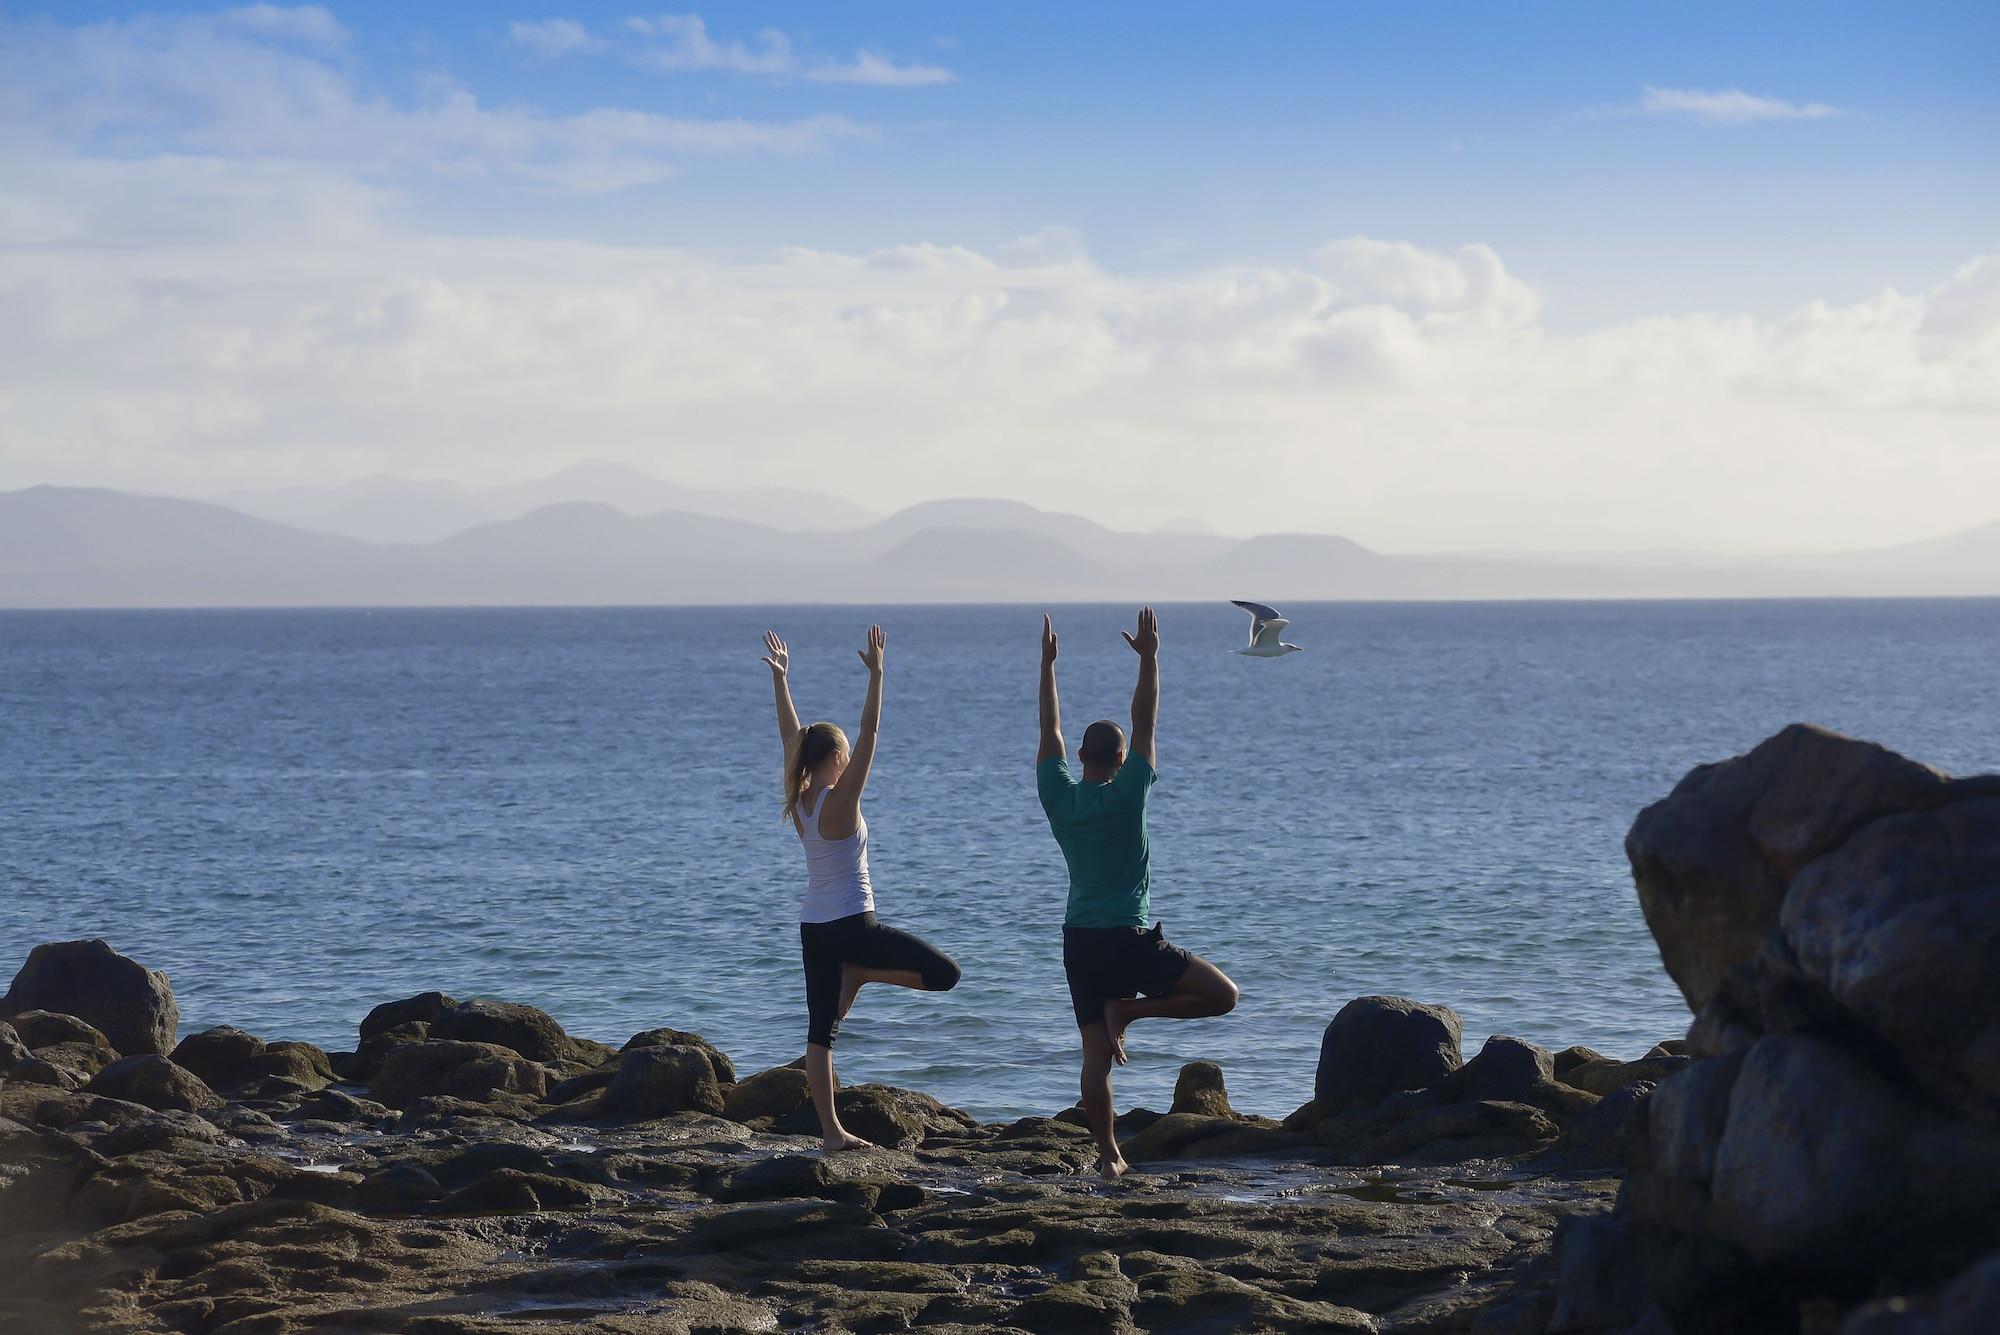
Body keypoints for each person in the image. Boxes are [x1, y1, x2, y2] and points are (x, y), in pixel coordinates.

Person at [1036, 607, 1239, 1179]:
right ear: (1122, 761)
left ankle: (1108, 1156)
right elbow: (1144, 718)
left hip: (1079, 941)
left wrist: (1047, 667)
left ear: (1081, 758)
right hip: (1128, 939)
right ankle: (1130, 1010)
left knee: (1095, 1060)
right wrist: (1150, 658)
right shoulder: (1130, 792)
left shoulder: (1059, 796)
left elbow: (1047, 731)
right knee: (1223, 996)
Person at [762, 625, 961, 1153]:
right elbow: (870, 733)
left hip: (814, 928)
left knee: (820, 1031)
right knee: (946, 975)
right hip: (854, 926)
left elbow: (790, 734)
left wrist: (782, 680)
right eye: (847, 755)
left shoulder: (801, 800)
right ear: (839, 761)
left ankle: (831, 1134)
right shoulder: (838, 801)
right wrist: (877, 675)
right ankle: (865, 972)